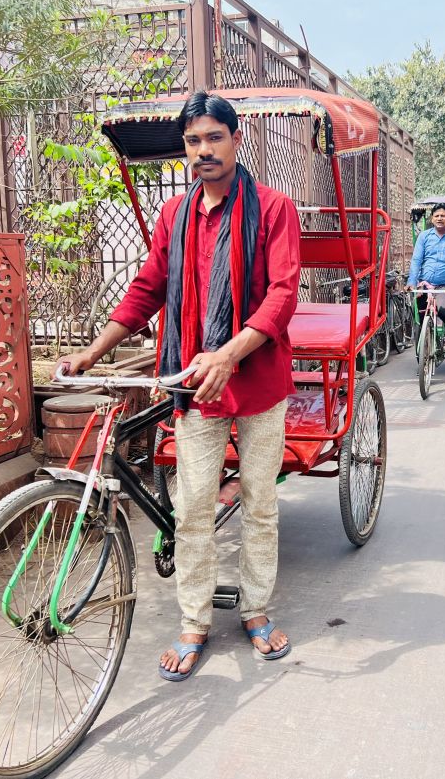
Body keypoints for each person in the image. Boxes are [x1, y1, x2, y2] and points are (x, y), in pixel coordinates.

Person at [57, 91, 300, 681]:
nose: (203, 150)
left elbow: (282, 294)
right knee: (192, 507)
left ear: (235, 141)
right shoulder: (176, 216)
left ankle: (256, 609)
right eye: (193, 141)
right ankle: (194, 621)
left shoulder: (272, 208)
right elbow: (147, 288)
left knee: (259, 502)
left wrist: (230, 352)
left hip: (259, 381)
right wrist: (95, 350)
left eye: (214, 137)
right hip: (196, 384)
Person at [407, 202, 445, 345]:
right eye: (436, 216)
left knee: (444, 312)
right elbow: (416, 260)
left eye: (443, 216)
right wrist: (411, 281)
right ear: (432, 219)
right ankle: (425, 350)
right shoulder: (424, 236)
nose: (439, 218)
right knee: (420, 319)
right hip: (423, 285)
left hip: (443, 286)